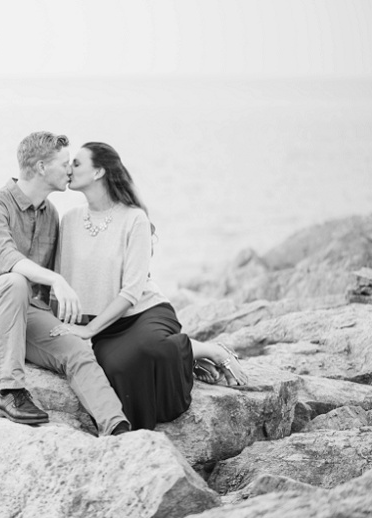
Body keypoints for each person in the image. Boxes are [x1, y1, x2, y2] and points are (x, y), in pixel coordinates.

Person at [51, 141, 248, 430]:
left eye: (77, 163)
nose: (69, 169)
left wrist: (89, 330)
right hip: (106, 325)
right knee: (117, 367)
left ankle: (208, 351)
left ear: (99, 172)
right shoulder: (68, 220)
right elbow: (61, 278)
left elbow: (131, 291)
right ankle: (132, 430)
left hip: (143, 312)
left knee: (147, 350)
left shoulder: (134, 219)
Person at [0, 131, 130, 436]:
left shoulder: (51, 215)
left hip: (23, 317)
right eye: (63, 163)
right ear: (42, 167)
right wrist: (55, 279)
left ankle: (117, 426)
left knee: (77, 350)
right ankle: (10, 392)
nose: (69, 170)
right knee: (15, 282)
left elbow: (72, 272)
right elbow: (8, 260)